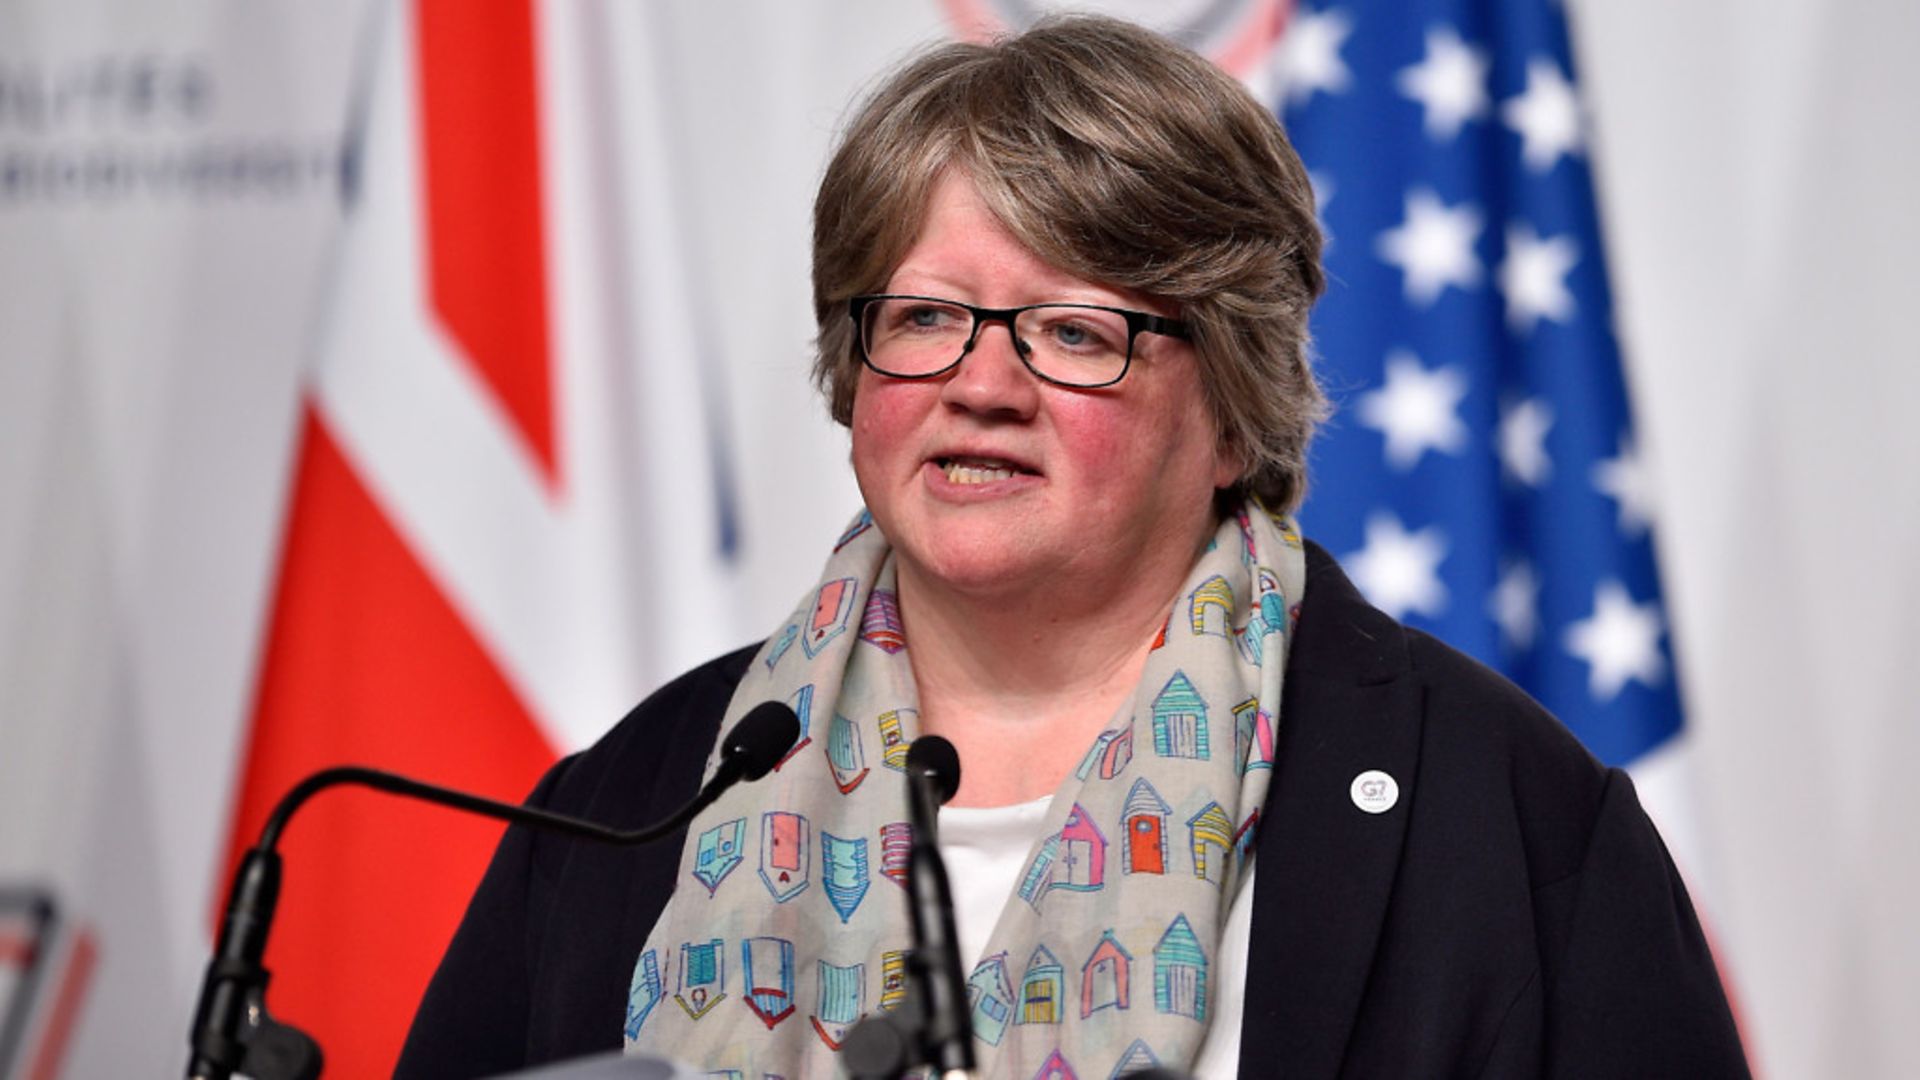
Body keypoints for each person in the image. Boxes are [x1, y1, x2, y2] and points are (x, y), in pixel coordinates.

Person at [398, 15, 1747, 1080]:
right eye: (924, 317)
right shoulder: (630, 804)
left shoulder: (1511, 824)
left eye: (1076, 331)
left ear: (1233, 410)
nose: (979, 386)